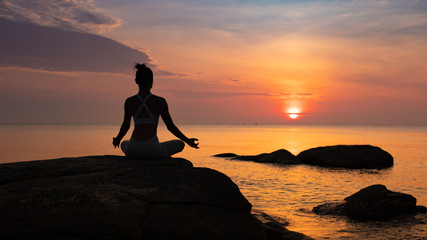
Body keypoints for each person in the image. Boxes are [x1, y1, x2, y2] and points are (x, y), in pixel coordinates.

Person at [113, 63, 198, 158]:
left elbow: (126, 126)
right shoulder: (160, 101)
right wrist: (188, 141)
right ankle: (156, 147)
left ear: (136, 81)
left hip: (133, 150)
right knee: (180, 144)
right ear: (152, 82)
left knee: (124, 143)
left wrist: (117, 139)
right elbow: (170, 127)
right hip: (152, 150)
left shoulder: (129, 101)